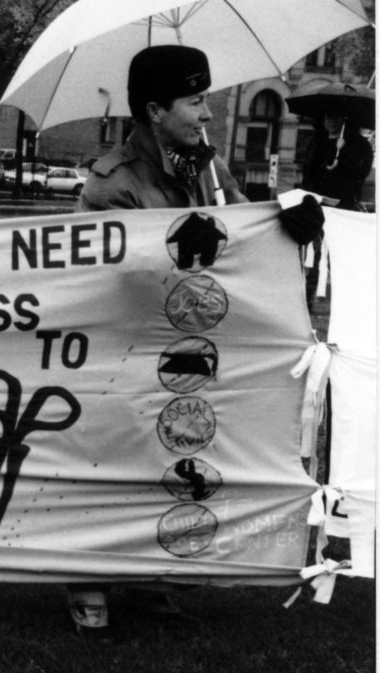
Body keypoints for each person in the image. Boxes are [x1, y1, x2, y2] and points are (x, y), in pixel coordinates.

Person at [68, 45, 324, 639]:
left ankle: (151, 578)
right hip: (125, 355)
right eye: (195, 100)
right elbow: (112, 279)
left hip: (186, 351)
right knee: (106, 468)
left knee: (172, 463)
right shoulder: (112, 184)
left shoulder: (207, 167)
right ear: (157, 110)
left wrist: (285, 219)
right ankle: (85, 576)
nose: (207, 113)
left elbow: (245, 226)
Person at [298, 113, 373, 303]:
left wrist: (344, 153)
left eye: (336, 118)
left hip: (342, 209)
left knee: (338, 256)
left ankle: (349, 299)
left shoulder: (358, 145)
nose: (330, 121)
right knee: (312, 256)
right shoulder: (317, 143)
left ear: (345, 121)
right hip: (316, 207)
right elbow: (309, 174)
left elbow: (360, 174)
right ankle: (307, 299)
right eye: (327, 118)